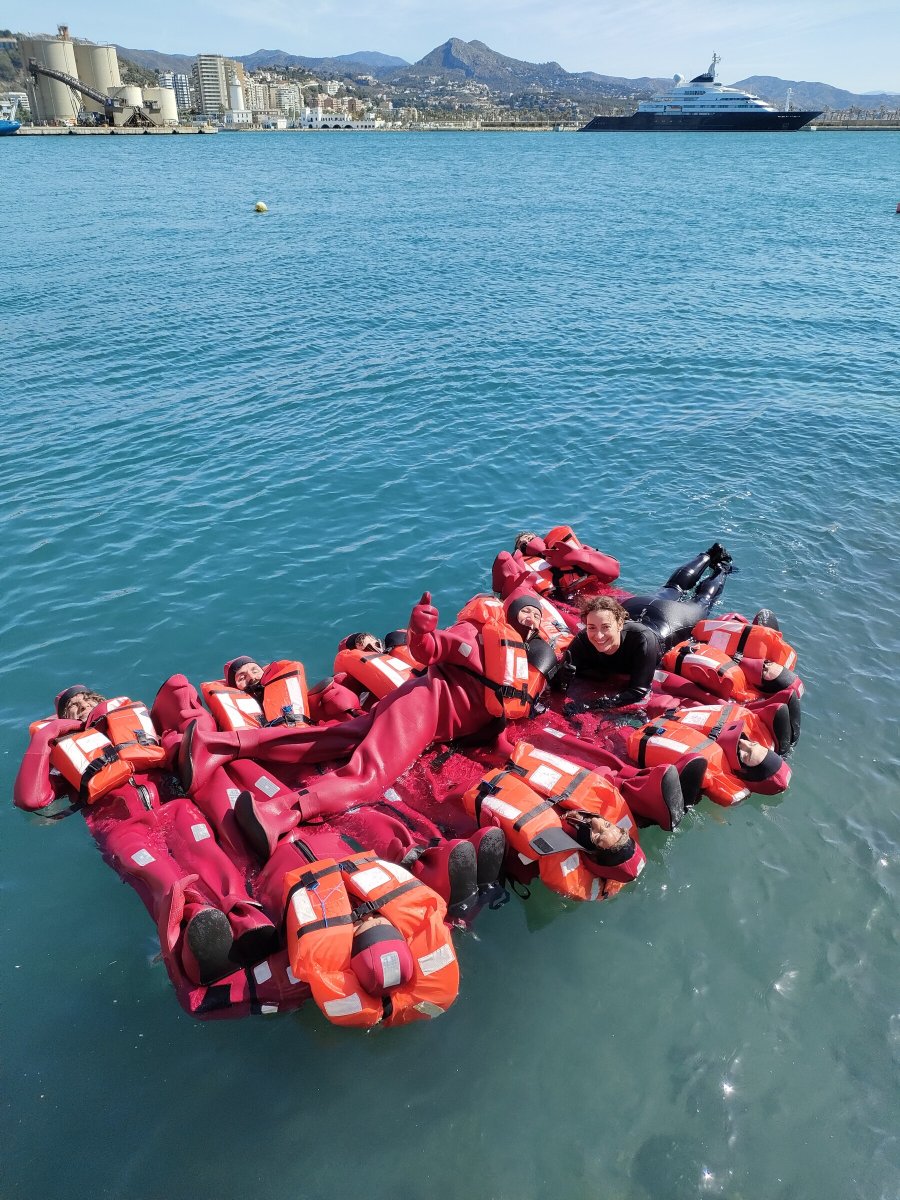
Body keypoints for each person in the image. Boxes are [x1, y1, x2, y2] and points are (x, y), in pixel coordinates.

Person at [15, 686, 280, 989]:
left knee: (210, 858)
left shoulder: (141, 728)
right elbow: (31, 800)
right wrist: (44, 736)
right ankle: (201, 935)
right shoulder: (67, 761)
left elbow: (186, 745)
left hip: (175, 809)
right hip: (122, 829)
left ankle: (249, 921)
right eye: (71, 708)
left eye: (86, 701)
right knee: (163, 879)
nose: (81, 707)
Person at [564, 545, 733, 712]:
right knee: (673, 587)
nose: (598, 635)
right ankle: (708, 554)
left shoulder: (642, 641)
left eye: (606, 628)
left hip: (670, 617)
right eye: (591, 627)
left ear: (620, 624)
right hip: (638, 606)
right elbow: (561, 673)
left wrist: (589, 705)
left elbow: (638, 691)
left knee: (702, 600)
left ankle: (722, 567)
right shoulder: (584, 637)